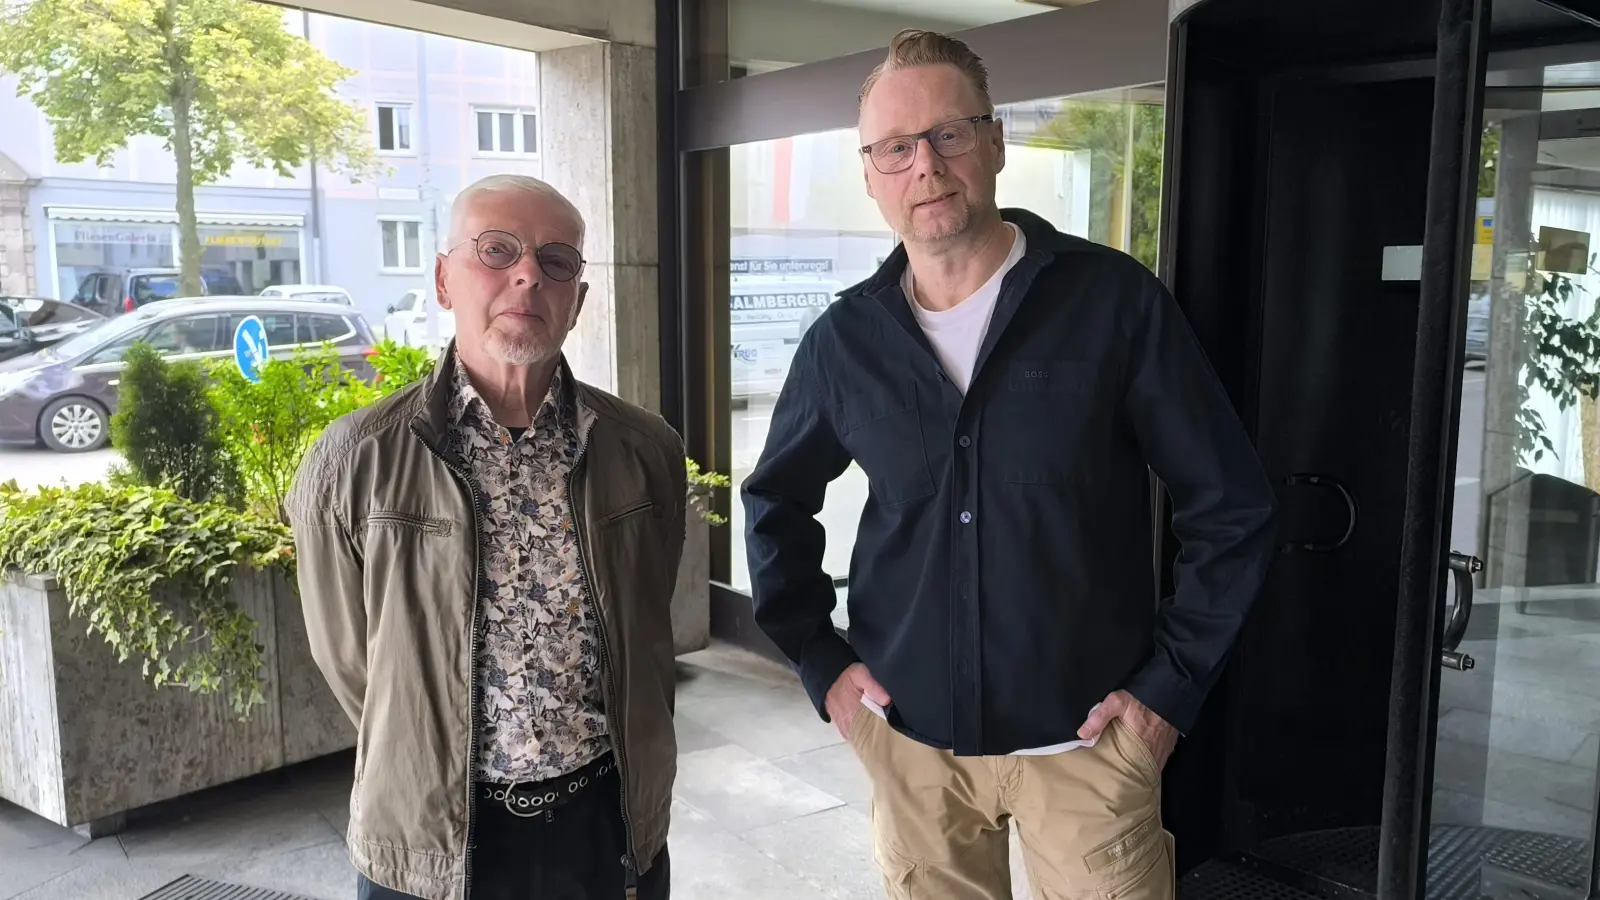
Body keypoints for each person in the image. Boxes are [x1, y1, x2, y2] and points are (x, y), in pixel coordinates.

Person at [741, 29, 1279, 900]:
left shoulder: (1113, 303)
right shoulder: (845, 341)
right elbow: (774, 507)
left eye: (950, 134)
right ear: (872, 172)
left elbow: (1231, 507)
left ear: (994, 143)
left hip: (1090, 751)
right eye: (897, 148)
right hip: (913, 755)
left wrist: (1165, 694)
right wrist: (822, 664)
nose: (927, 165)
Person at [287, 174, 684, 900]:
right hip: (433, 842)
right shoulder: (354, 461)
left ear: (578, 302)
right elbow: (350, 662)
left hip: (606, 828)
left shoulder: (644, 450)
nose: (528, 273)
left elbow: (649, 636)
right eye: (496, 250)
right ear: (443, 279)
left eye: (556, 260)